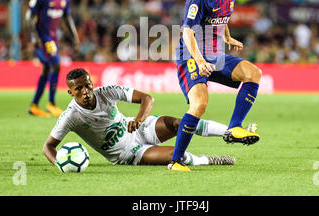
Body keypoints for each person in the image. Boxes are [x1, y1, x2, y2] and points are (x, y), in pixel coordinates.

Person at [170, 0, 262, 171]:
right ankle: (176, 161)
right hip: (191, 55)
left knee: (253, 73)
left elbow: (221, 14)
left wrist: (227, 36)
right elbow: (187, 32)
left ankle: (234, 127)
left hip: (214, 53)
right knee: (199, 105)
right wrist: (199, 60)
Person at [43, 68, 235, 167]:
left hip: (138, 128)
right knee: (175, 156)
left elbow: (147, 98)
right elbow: (48, 147)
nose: (85, 91)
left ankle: (229, 132)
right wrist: (59, 163)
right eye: (79, 89)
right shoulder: (71, 116)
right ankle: (208, 160)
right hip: (128, 153)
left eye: (87, 85)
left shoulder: (106, 92)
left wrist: (139, 119)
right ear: (71, 92)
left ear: (92, 83)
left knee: (178, 122)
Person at [26, 0, 80, 117]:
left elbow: (67, 18)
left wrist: (75, 37)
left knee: (47, 69)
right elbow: (28, 16)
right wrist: (35, 37)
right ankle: (51, 103)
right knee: (56, 65)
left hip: (52, 37)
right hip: (42, 36)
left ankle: (34, 105)